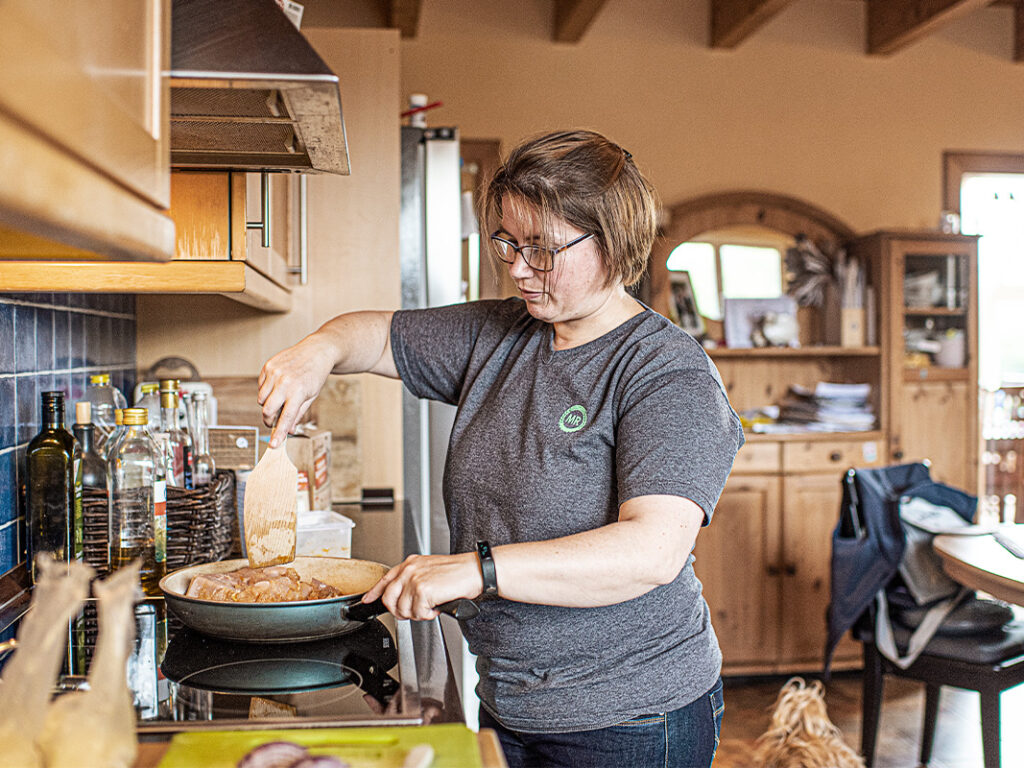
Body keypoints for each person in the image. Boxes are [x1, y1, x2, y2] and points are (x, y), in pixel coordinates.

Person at [258, 129, 744, 768]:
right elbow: (373, 336)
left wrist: (477, 569)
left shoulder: (665, 370)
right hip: (510, 696)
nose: (517, 266)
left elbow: (651, 551)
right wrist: (315, 351)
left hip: (630, 716)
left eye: (541, 248)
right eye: (508, 241)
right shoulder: (502, 332)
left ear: (615, 245)